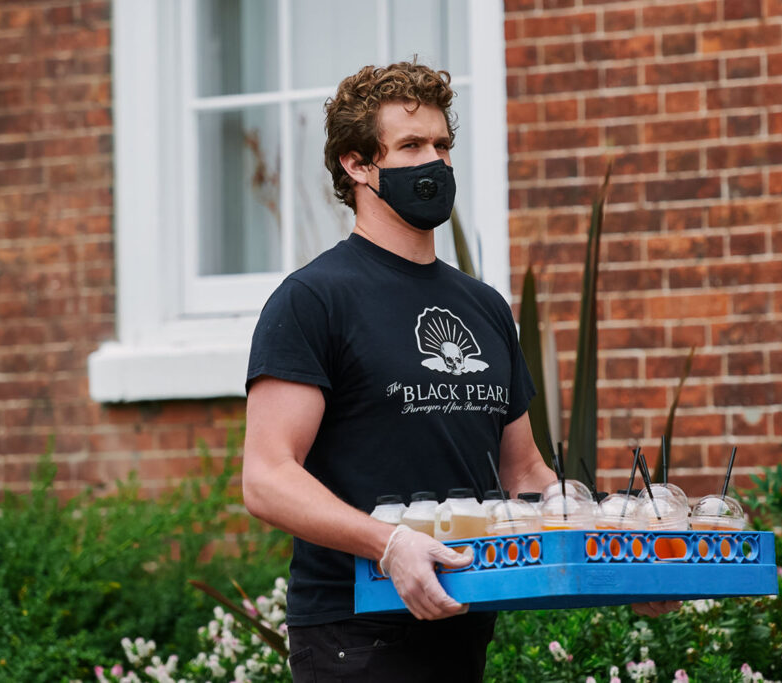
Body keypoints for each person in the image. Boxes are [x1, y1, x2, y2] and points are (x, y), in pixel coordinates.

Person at [243, 60, 679, 683]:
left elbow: (523, 472)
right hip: (355, 633)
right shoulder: (314, 300)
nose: (435, 162)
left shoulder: (483, 307)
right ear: (358, 164)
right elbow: (266, 477)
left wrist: (615, 562)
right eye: (411, 146)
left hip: (463, 618)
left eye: (442, 145)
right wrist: (388, 545)